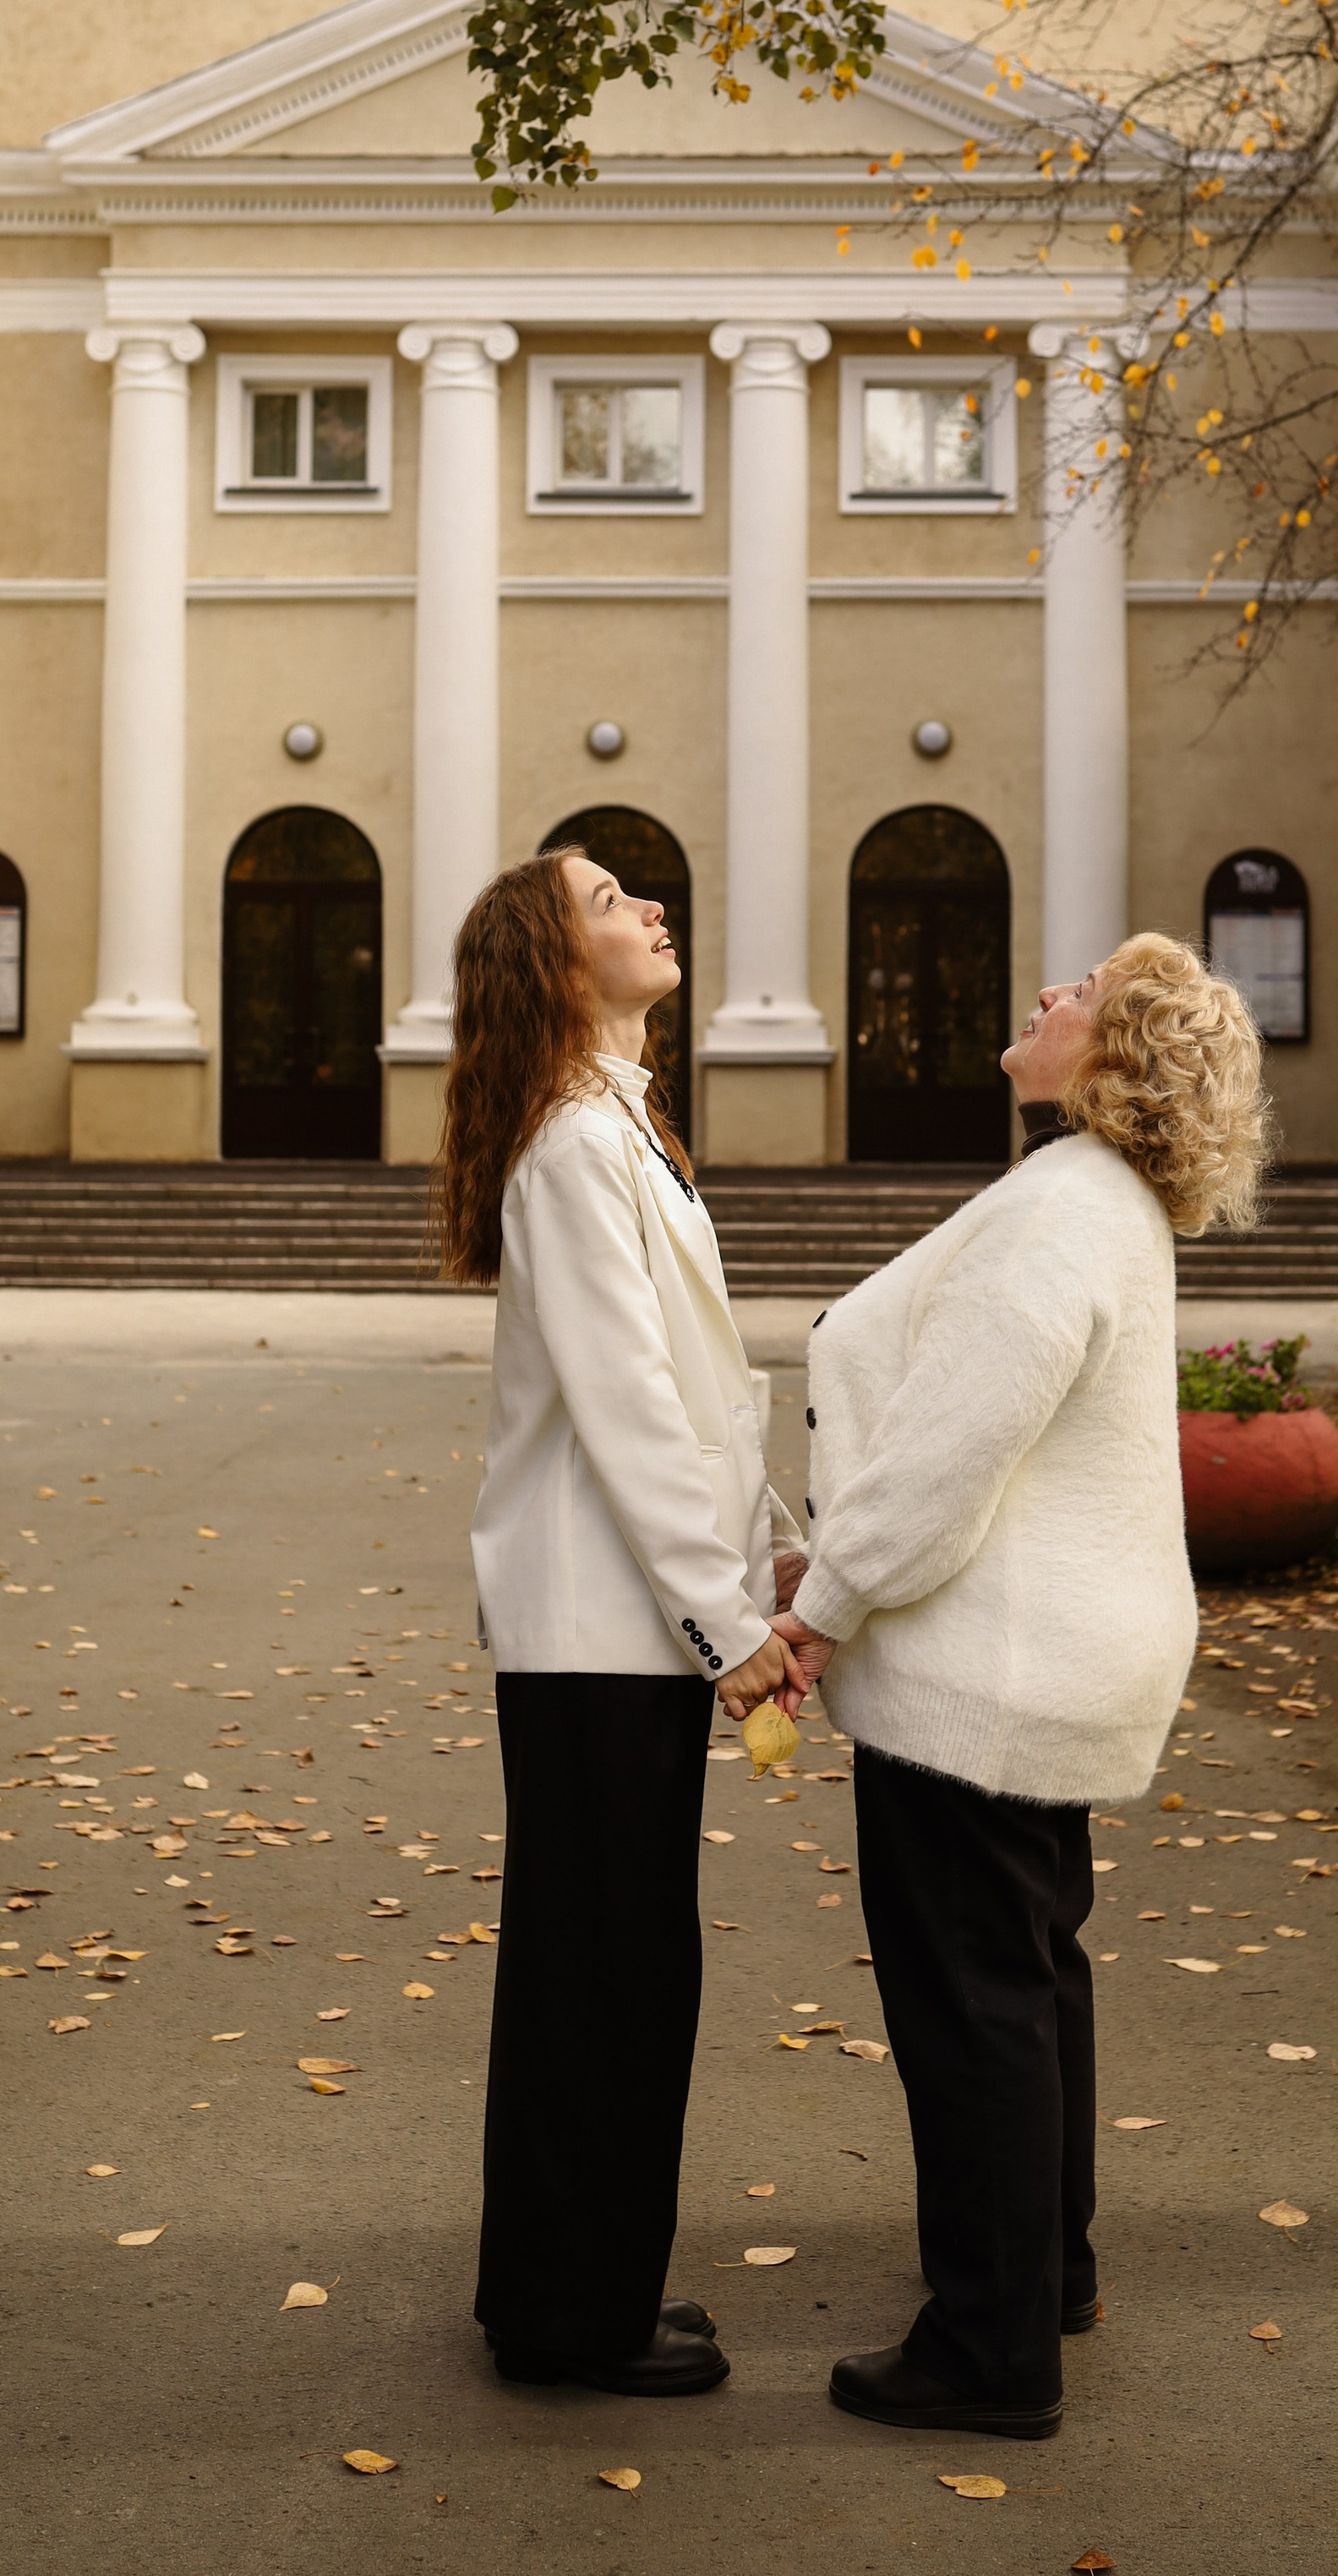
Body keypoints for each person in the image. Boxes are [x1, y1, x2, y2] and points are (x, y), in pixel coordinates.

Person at [771, 935, 1269, 2442]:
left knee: (972, 2002)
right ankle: (1044, 2274)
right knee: (1033, 1980)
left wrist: (822, 1607)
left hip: (984, 1676)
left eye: (1081, 992)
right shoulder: (1093, 1203)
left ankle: (989, 2352)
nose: (1047, 994)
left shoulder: (1061, 1211)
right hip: (1048, 1669)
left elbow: (947, 1452)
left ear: (1112, 1056)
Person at [440, 848, 802, 2399]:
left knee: (616, 1969)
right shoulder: (579, 1147)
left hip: (627, 1623)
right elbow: (630, 1411)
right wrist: (732, 1629)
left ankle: (576, 2286)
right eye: (610, 902)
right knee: (609, 1981)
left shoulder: (617, 1129)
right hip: (605, 1626)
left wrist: (772, 1549)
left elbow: (702, 1394)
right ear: (556, 963)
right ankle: (569, 2320)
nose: (652, 908)